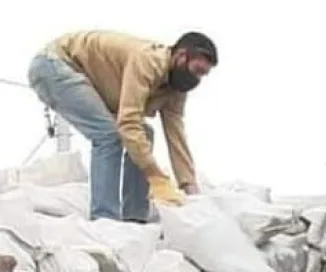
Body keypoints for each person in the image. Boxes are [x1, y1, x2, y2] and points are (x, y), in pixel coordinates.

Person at [27, 30, 217, 222]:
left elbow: (176, 136)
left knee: (144, 134)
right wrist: (154, 174)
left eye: (203, 75)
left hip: (86, 80)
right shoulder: (147, 61)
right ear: (181, 56)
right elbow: (128, 122)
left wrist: (189, 186)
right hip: (55, 66)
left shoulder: (176, 89)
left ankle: (135, 217)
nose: (197, 80)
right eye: (197, 71)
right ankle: (105, 219)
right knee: (109, 135)